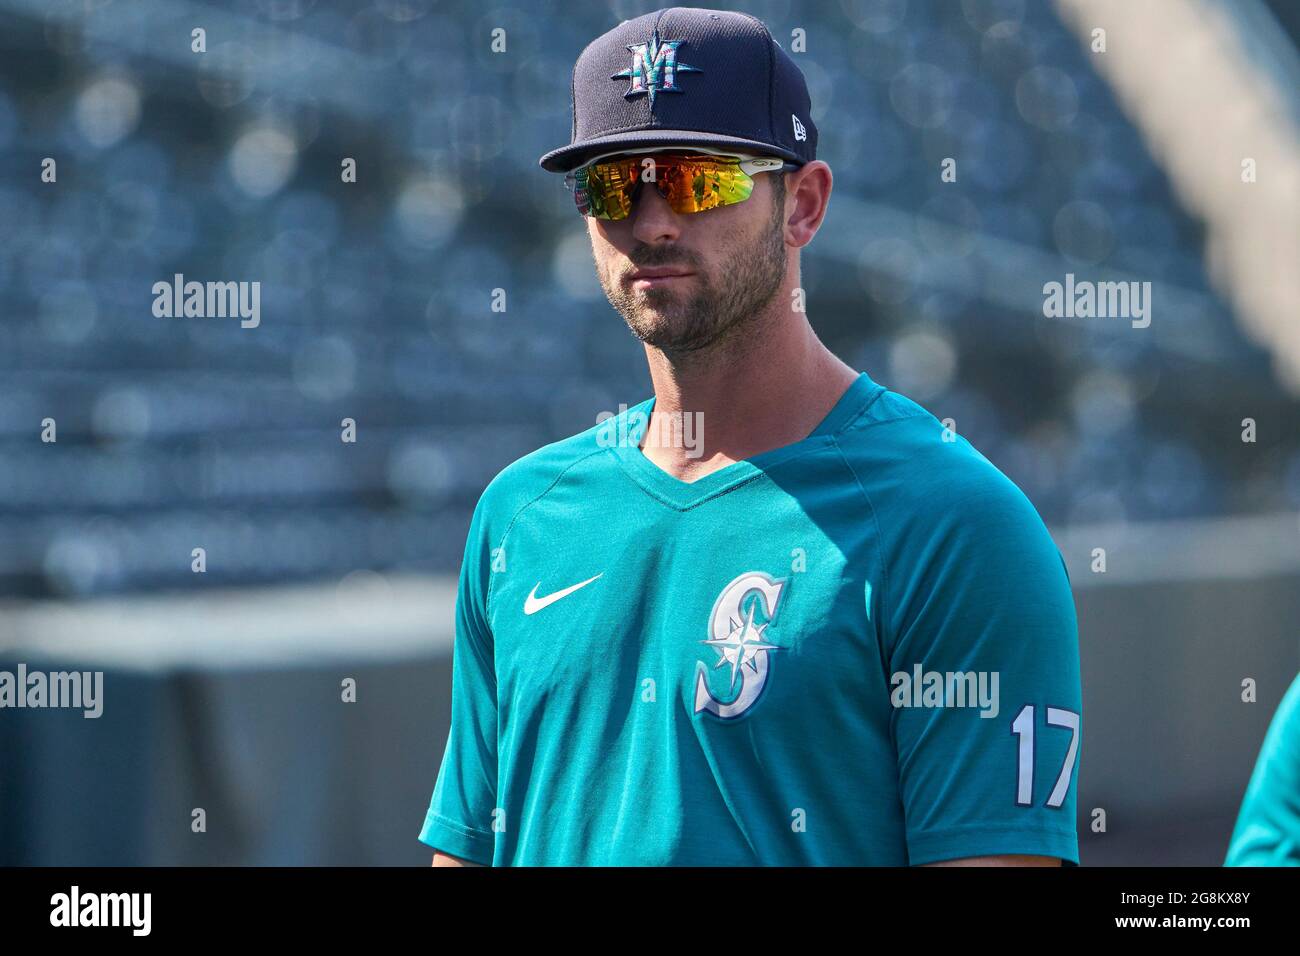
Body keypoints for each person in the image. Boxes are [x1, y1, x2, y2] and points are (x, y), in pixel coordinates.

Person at [421, 6, 1081, 866]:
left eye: (699, 181)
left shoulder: (956, 526)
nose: (653, 222)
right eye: (614, 185)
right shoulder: (520, 515)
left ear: (802, 205)